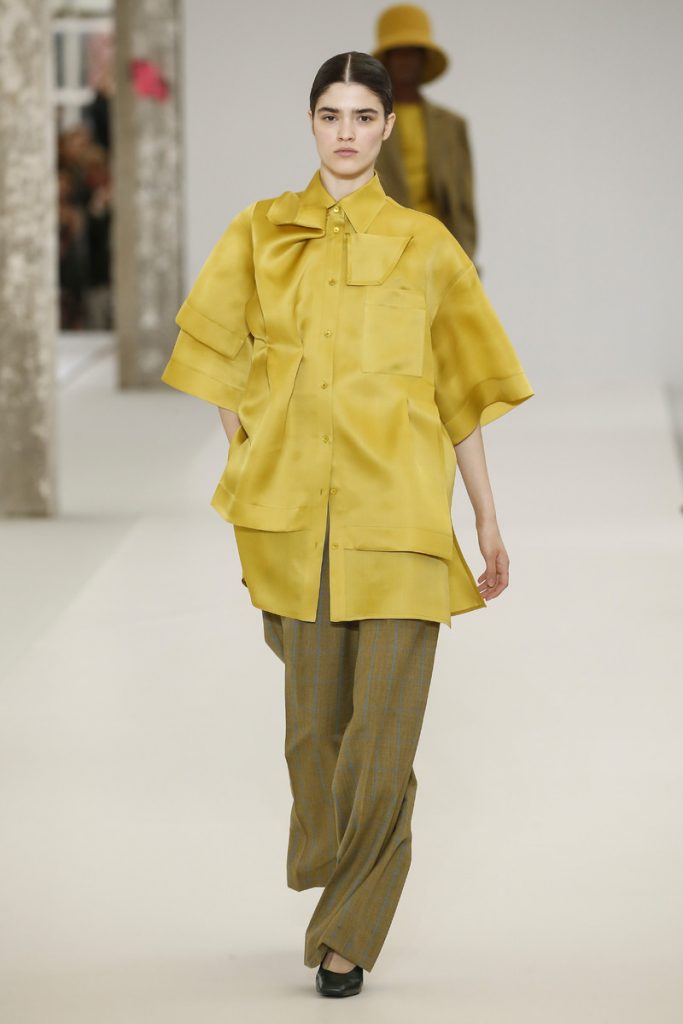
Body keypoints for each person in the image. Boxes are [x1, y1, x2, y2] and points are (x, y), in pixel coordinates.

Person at [161, 51, 534, 998]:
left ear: (385, 127)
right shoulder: (259, 232)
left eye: (364, 116)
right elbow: (215, 358)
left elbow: (461, 393)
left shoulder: (426, 246)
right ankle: (341, 875)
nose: (346, 132)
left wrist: (487, 521)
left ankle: (348, 938)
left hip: (401, 515)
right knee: (314, 736)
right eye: (331, 114)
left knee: (383, 738)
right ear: (311, 123)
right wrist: (247, 454)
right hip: (297, 522)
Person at [372, 4, 478, 262]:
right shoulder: (366, 121)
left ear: (423, 59)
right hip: (383, 249)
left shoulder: (451, 125)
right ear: (387, 60)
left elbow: (464, 198)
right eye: (399, 53)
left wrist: (465, 255)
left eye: (413, 53)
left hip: (440, 248)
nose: (406, 61)